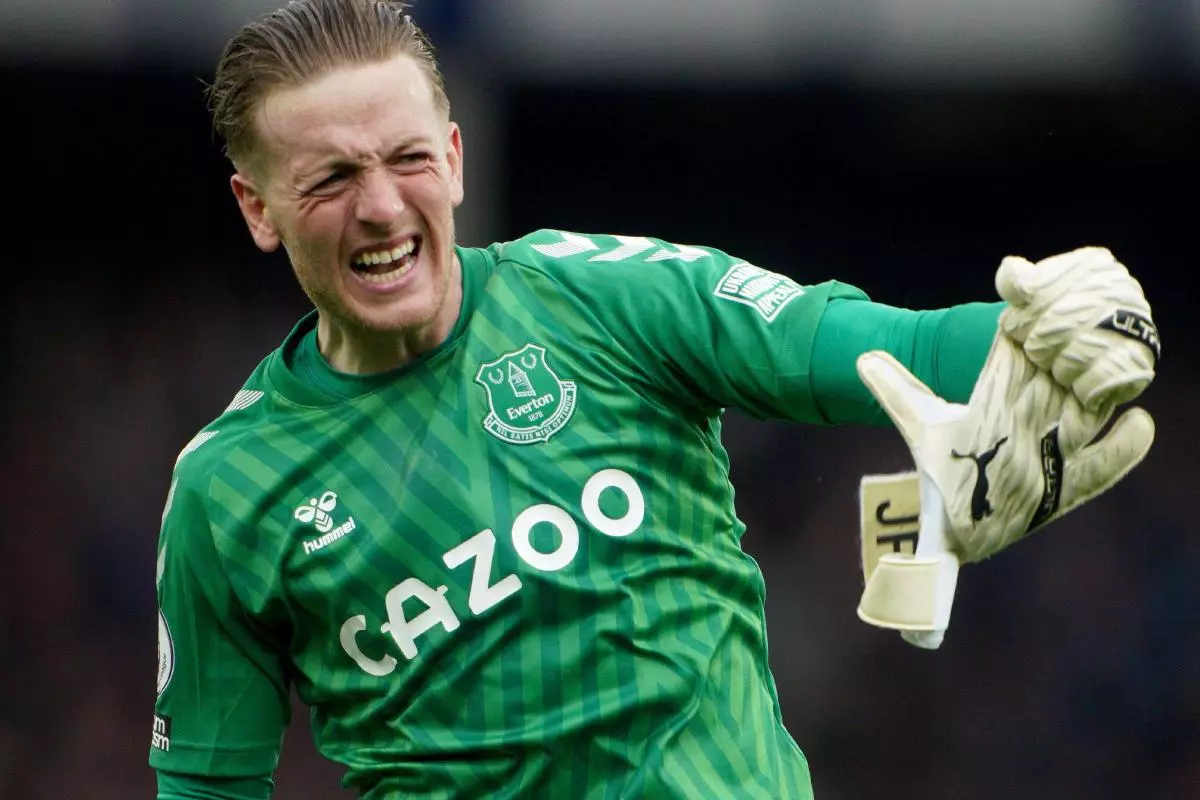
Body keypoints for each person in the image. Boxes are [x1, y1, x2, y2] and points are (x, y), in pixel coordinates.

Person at [150, 1, 1159, 798]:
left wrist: (1058, 323)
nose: (380, 205)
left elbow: (899, 347)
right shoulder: (227, 490)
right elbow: (206, 784)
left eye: (407, 158)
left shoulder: (607, 299)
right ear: (259, 207)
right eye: (331, 178)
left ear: (453, 160)